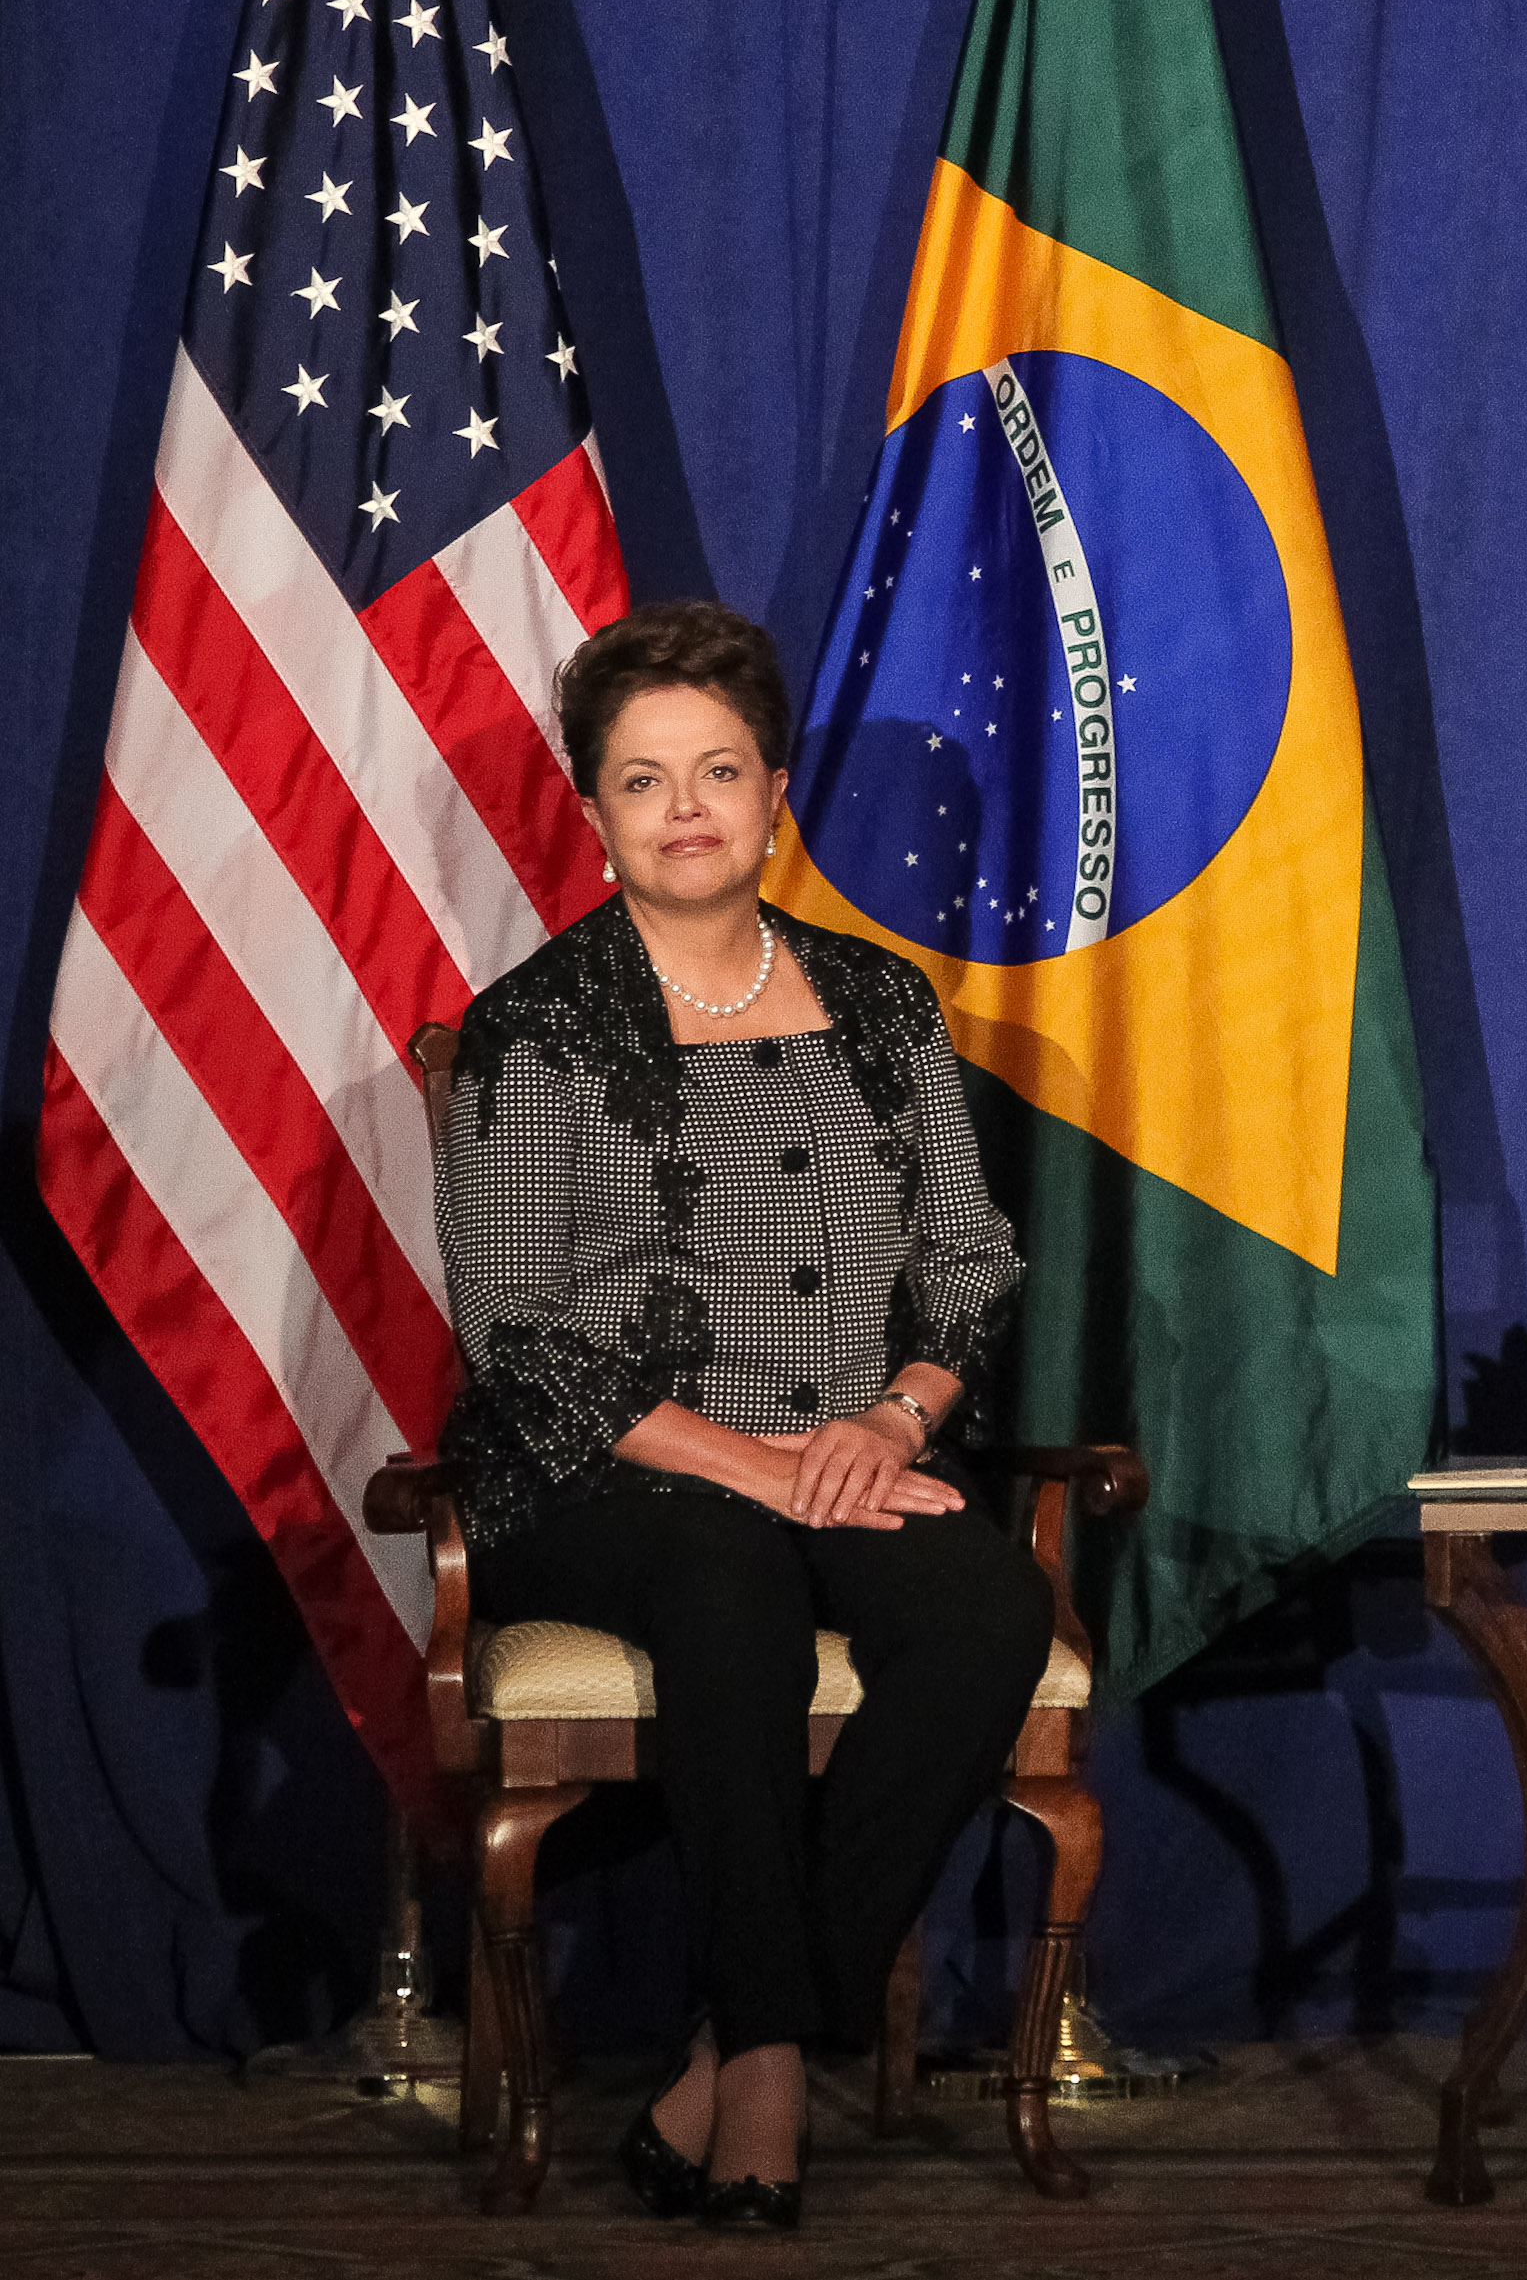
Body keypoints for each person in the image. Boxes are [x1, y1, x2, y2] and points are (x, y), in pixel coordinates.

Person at [435, 600, 1051, 2233]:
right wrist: (764, 1472)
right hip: (604, 1476)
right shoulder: (534, 1026)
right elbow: (520, 1336)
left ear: (775, 790)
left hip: (848, 1448)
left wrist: (899, 1422)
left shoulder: (884, 1003)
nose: (686, 807)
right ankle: (771, 2072)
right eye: (643, 780)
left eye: (718, 770)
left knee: (988, 1604)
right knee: (730, 1582)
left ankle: (725, 2041)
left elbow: (970, 1257)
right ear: (594, 811)